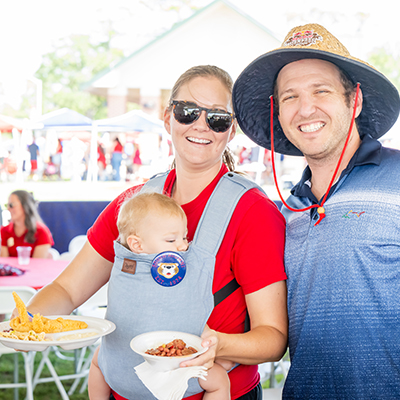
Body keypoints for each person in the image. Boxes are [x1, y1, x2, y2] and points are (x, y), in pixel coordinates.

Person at [233, 23, 400, 399]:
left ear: (354, 101)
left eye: (321, 90)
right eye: (290, 96)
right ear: (278, 111)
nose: (306, 108)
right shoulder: (288, 209)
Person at [24, 65, 287, 400]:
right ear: (168, 118)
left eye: (218, 117)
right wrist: (28, 325)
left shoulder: (253, 213)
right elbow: (67, 288)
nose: (201, 125)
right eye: (188, 111)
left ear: (231, 130)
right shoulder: (132, 205)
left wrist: (218, 344)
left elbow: (273, 338)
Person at [89, 191, 230, 400]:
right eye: (171, 240)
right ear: (137, 244)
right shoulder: (172, 268)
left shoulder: (124, 266)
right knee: (220, 381)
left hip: (119, 371)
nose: (183, 246)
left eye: (185, 237)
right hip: (175, 370)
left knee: (97, 361)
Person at [1, 190, 54, 259]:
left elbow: (38, 264)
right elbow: (4, 261)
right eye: (7, 205)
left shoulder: (41, 231)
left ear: (25, 206)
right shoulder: (5, 230)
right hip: (11, 269)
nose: (8, 208)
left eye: (11, 205)